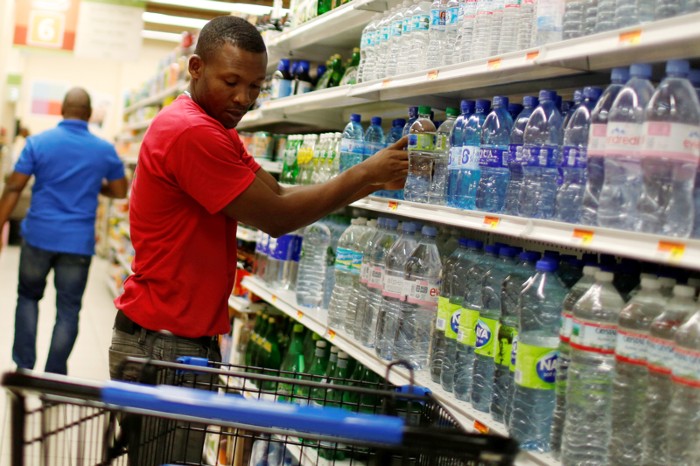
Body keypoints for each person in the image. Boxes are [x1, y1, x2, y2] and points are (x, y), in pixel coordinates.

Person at [108, 14, 407, 463]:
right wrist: (365, 173)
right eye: (231, 82)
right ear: (195, 67)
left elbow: (279, 192)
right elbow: (277, 217)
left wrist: (367, 181)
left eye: (255, 86)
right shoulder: (192, 132)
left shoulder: (214, 129)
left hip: (174, 336)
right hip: (164, 342)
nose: (244, 98)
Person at [0, 87, 128, 375]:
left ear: (62, 110)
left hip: (38, 236)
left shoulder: (37, 143)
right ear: (87, 114)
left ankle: (24, 368)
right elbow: (120, 191)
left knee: (28, 297)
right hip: (78, 243)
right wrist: (96, 186)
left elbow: (13, 186)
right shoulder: (104, 149)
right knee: (68, 310)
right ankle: (54, 375)